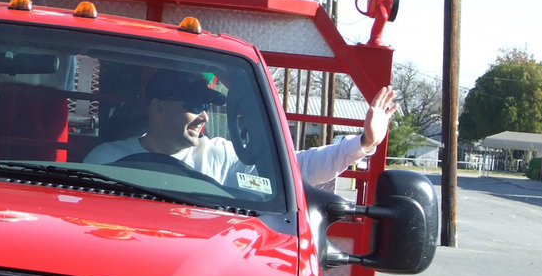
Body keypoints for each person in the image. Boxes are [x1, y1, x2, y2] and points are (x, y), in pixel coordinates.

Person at [84, 70, 397, 189]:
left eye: (208, 104)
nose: (204, 114)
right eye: (194, 103)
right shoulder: (105, 160)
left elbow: (294, 167)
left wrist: (365, 142)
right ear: (159, 107)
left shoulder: (220, 155)